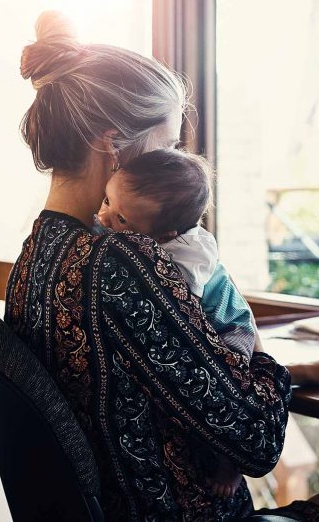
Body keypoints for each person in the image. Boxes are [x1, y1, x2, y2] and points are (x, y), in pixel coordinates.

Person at [5, 11, 319, 522]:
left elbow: (159, 382)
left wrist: (300, 373)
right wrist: (265, 360)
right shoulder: (123, 261)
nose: (172, 165)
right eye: (165, 147)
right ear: (111, 144)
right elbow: (256, 441)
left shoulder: (37, 255)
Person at [92, 147, 256, 497]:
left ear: (164, 235)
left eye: (120, 219)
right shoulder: (142, 231)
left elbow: (182, 309)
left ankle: (231, 463)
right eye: (107, 200)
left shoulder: (187, 257)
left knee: (227, 387)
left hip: (231, 327)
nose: (104, 217)